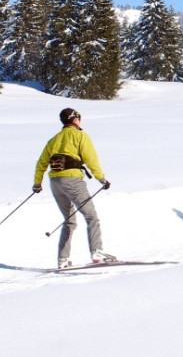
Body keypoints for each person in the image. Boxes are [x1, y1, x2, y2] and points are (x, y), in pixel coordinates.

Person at [33, 108, 116, 269]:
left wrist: (37, 183)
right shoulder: (80, 136)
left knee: (69, 221)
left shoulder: (53, 140)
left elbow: (41, 163)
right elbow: (91, 159)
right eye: (79, 118)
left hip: (55, 182)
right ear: (75, 119)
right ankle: (97, 251)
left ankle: (63, 259)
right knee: (91, 217)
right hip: (73, 180)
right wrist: (101, 179)